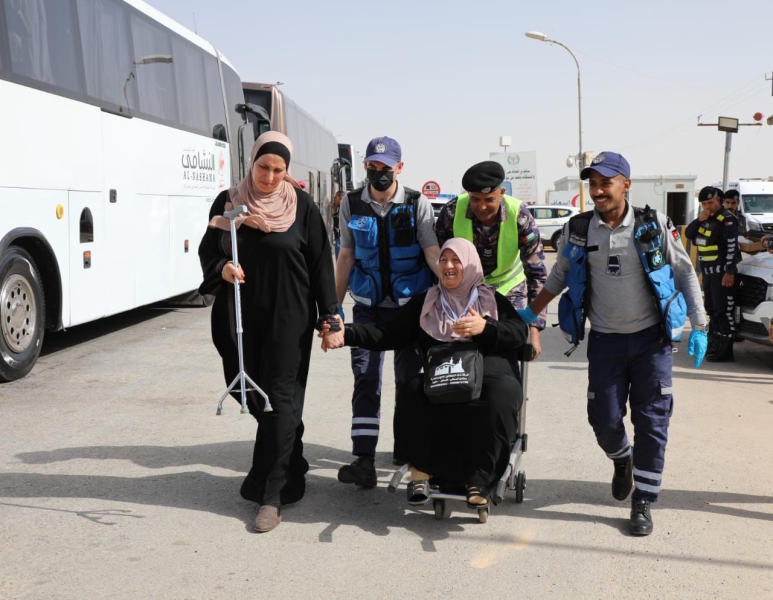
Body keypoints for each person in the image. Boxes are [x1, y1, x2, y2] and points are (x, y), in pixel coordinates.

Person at [517, 151, 708, 536]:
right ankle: (622, 459)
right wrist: (527, 315)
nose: (598, 190)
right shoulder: (579, 229)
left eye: (606, 182)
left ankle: (643, 500)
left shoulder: (653, 224)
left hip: (651, 343)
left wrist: (700, 324)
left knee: (652, 423)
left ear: (626, 184)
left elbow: (685, 273)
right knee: (603, 419)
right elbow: (559, 276)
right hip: (605, 342)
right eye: (593, 184)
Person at [198, 131, 338, 533]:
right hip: (238, 320)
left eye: (279, 170)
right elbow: (209, 250)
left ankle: (271, 496)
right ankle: (291, 455)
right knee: (249, 392)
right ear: (252, 162)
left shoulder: (302, 206)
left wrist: (330, 317)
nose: (270, 177)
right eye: (264, 167)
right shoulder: (228, 201)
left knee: (278, 402)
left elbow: (320, 264)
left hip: (289, 320)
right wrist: (222, 269)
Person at [321, 238, 528, 508]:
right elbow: (387, 333)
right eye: (444, 260)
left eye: (456, 261)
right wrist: (346, 333)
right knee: (412, 390)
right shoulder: (427, 302)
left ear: (470, 265)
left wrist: (485, 327)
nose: (448, 266)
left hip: (490, 375)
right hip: (444, 375)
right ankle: (421, 471)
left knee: (502, 393)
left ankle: (480, 479)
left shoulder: (492, 300)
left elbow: (519, 334)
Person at [335, 136, 441, 488]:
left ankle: (407, 452)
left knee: (409, 381)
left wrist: (454, 292)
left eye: (386, 167)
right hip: (368, 309)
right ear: (365, 166)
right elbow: (346, 256)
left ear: (400, 167)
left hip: (410, 309)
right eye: (373, 166)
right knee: (366, 378)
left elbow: (431, 251)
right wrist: (334, 308)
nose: (379, 173)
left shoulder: (416, 203)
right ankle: (363, 458)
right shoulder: (351, 203)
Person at [435, 161, 547, 358]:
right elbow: (441, 261)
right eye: (475, 199)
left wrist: (534, 329)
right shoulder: (451, 212)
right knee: (463, 351)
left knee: (508, 344)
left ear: (502, 192)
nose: (482, 207)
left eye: (489, 199)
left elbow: (536, 273)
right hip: (465, 291)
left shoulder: (519, 215)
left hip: (508, 288)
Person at [685, 187, 739, 362]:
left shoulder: (727, 219)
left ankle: (726, 351)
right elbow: (689, 234)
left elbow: (731, 248)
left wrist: (729, 272)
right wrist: (699, 220)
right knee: (712, 310)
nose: (708, 207)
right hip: (708, 273)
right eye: (704, 204)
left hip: (721, 273)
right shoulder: (705, 219)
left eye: (711, 202)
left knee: (723, 312)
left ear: (719, 201)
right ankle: (715, 345)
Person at [332, 190, 343, 259]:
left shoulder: (343, 208)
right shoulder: (340, 208)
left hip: (340, 237)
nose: (334, 200)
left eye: (336, 198)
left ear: (340, 199)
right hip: (339, 237)